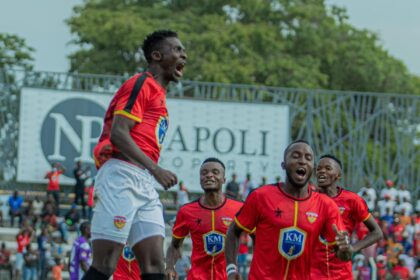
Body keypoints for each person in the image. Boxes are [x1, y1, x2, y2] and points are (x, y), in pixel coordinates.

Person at [84, 30, 187, 280]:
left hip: (143, 182)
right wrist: (156, 169)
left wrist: (151, 172)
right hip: (120, 177)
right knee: (105, 265)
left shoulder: (159, 95)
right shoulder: (141, 83)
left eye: (184, 51)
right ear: (157, 55)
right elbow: (119, 134)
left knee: (154, 265)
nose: (184, 55)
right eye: (177, 49)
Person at [225, 140, 351, 279]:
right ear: (283, 165)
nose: (302, 161)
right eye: (296, 156)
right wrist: (231, 270)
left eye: (308, 158)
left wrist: (346, 249)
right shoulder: (260, 196)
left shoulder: (326, 205)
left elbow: (342, 254)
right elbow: (234, 231)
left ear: (312, 168)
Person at [166, 158, 243, 280]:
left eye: (215, 172)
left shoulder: (239, 208)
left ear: (224, 179)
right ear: (200, 179)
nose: (209, 175)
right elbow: (175, 245)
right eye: (204, 173)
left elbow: (259, 239)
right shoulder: (186, 211)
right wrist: (170, 267)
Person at [311, 154, 383, 279]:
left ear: (338, 175)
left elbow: (377, 232)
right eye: (318, 169)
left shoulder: (352, 200)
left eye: (328, 168)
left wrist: (353, 248)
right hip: (311, 271)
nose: (322, 171)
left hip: (341, 272)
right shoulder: (308, 199)